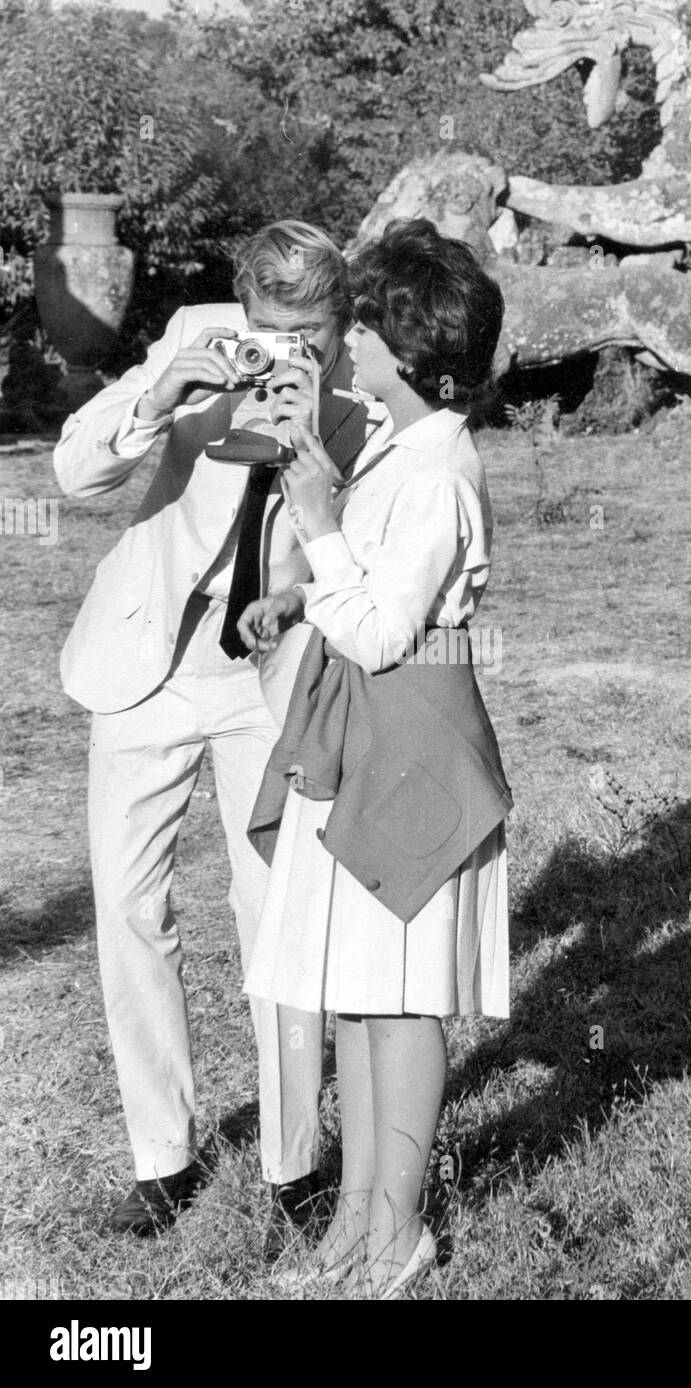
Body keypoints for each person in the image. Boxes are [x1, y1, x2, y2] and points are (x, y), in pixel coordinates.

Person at [53, 221, 373, 1244]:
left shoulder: (366, 401)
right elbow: (76, 475)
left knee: (272, 912)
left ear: (343, 323)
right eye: (273, 329)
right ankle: (163, 1155)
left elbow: (357, 564)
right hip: (145, 667)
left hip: (264, 679)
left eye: (312, 333)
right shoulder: (191, 340)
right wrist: (160, 400)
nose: (291, 349)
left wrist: (314, 459)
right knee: (130, 908)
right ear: (244, 314)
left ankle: (293, 1162)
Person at [236, 217, 512, 1297]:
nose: (344, 345)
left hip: (410, 741)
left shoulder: (437, 468)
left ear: (406, 352)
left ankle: (395, 1237)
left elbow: (389, 630)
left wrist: (314, 522)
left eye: (364, 332)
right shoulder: (406, 445)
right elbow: (371, 584)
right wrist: (300, 587)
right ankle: (354, 1226)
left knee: (400, 999)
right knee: (356, 991)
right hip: (371, 730)